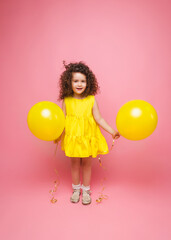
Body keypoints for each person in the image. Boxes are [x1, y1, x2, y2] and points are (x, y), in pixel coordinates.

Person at [55, 61, 120, 205]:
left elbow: (99, 118)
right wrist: (58, 136)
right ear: (69, 82)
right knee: (74, 164)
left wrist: (111, 131)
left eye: (83, 81)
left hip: (87, 137)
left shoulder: (91, 99)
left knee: (87, 164)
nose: (79, 84)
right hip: (73, 137)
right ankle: (76, 189)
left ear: (88, 82)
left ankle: (86, 190)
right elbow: (62, 121)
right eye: (76, 81)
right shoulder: (66, 100)